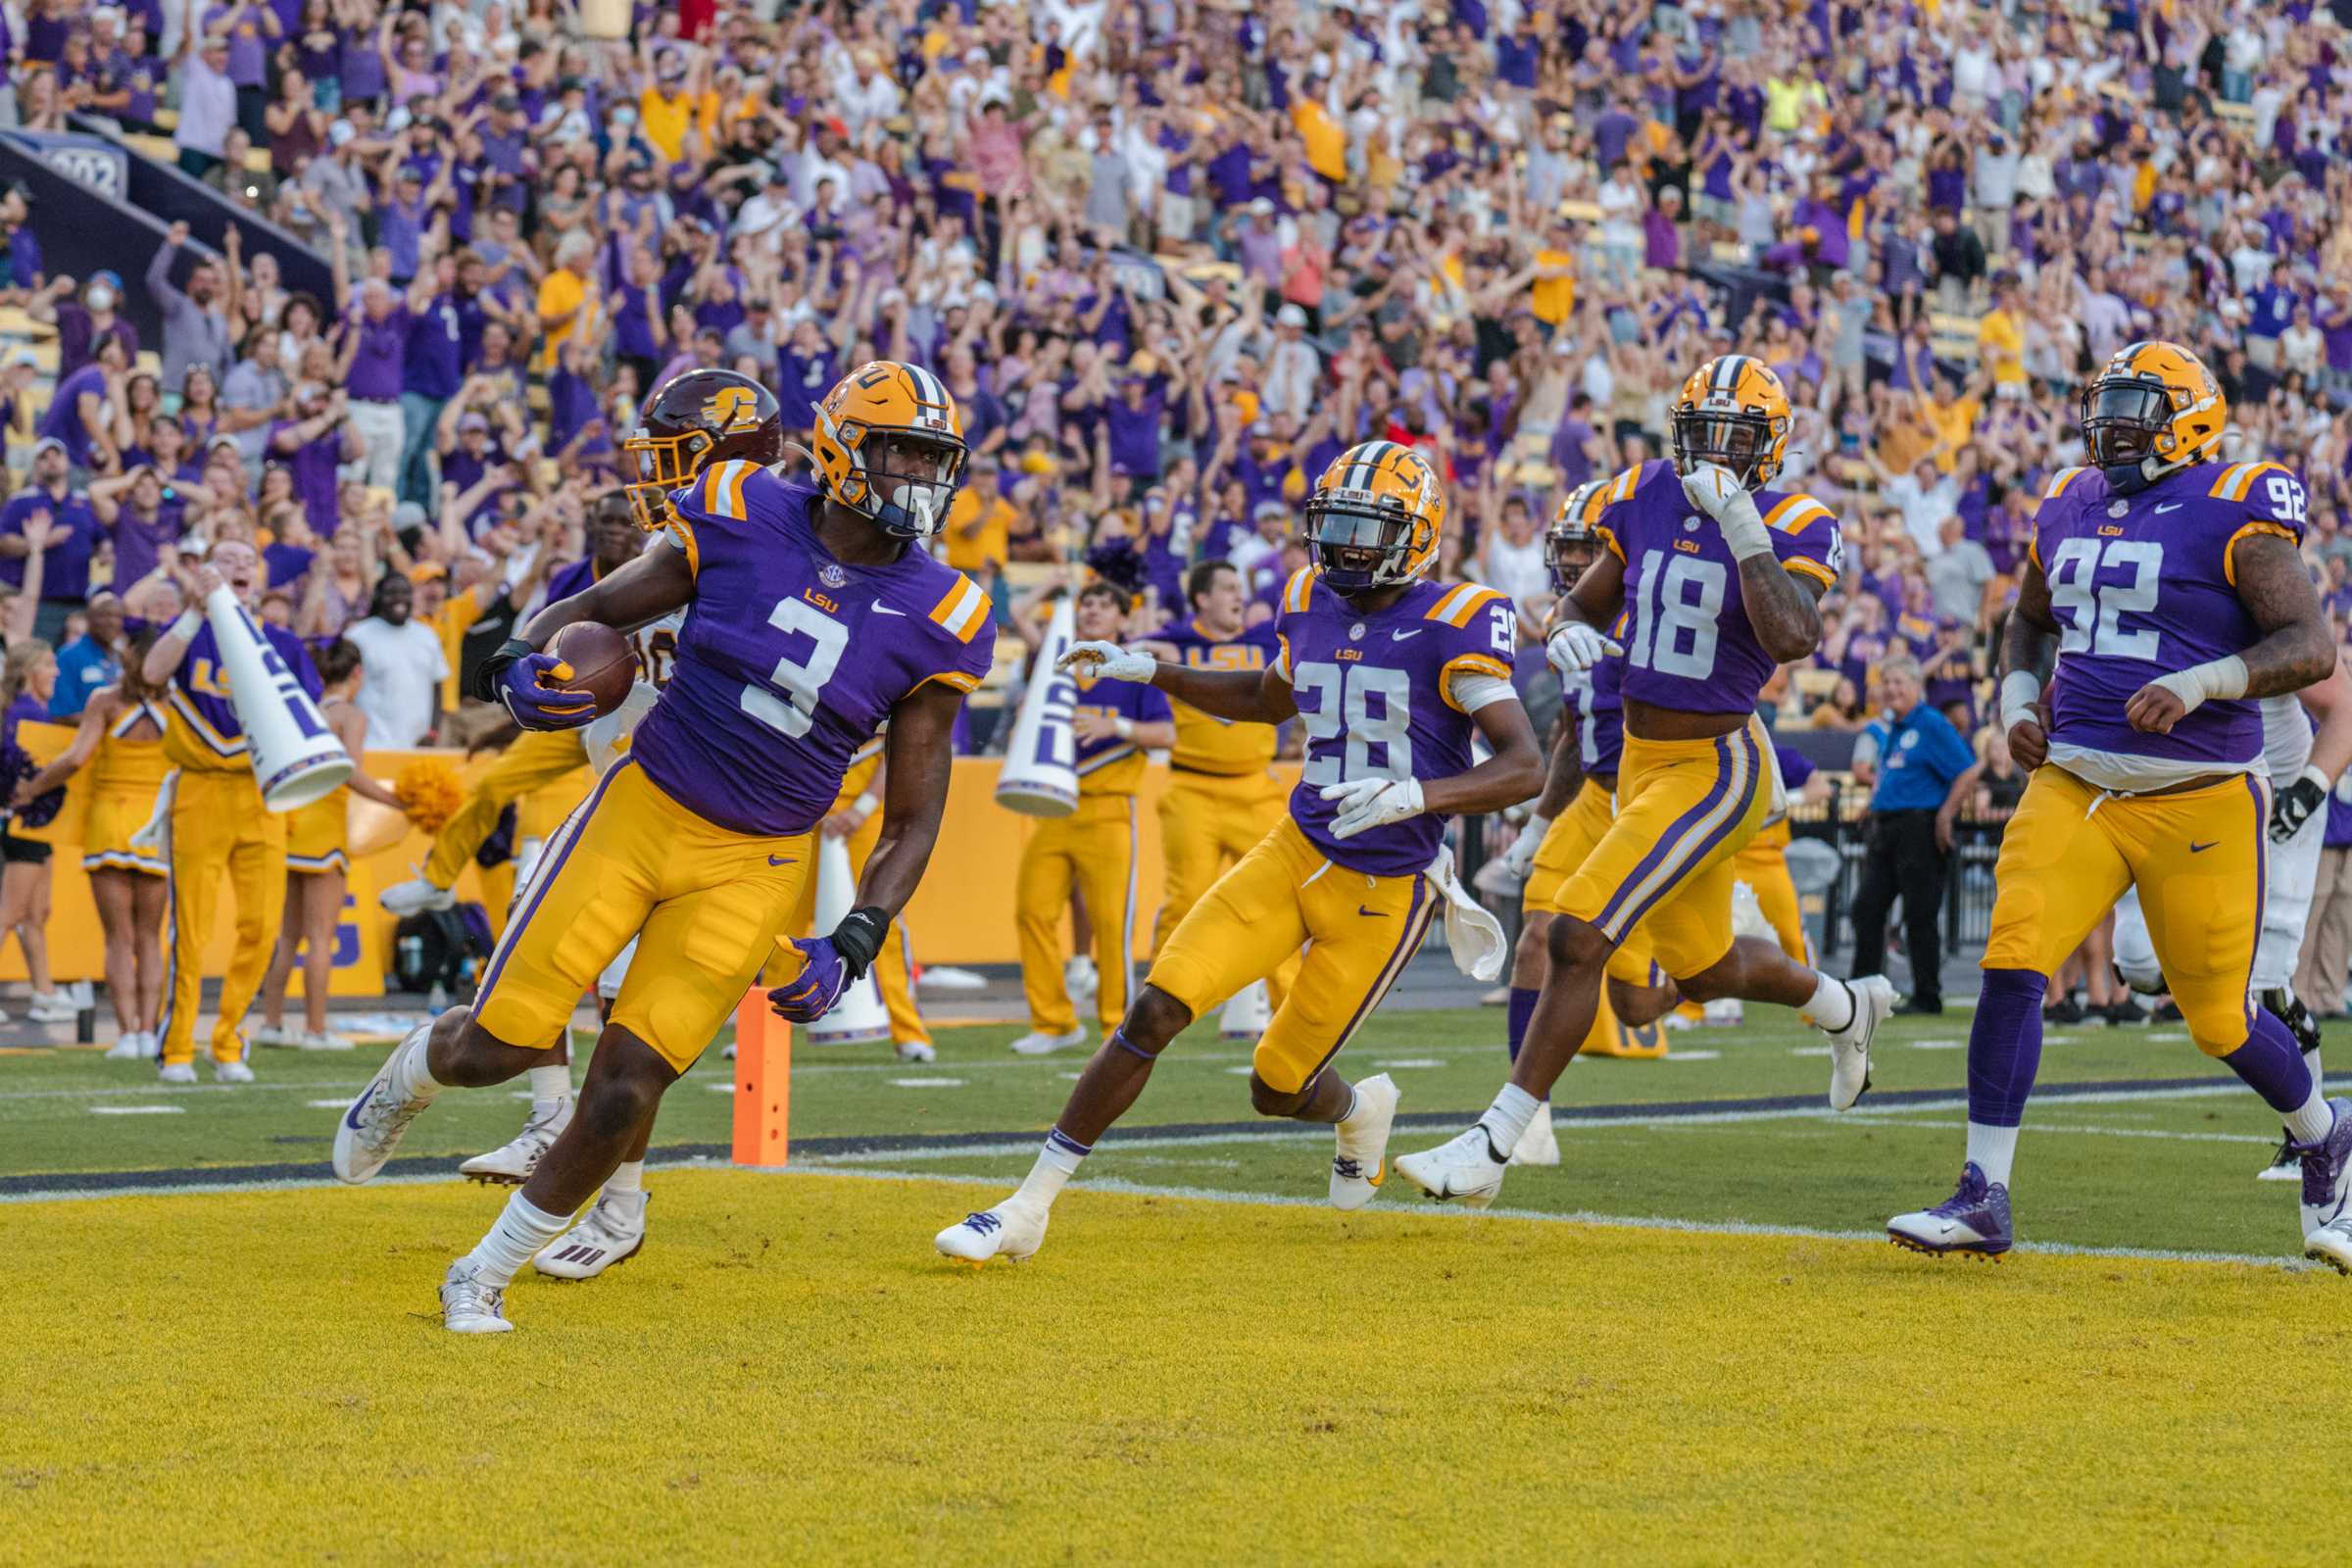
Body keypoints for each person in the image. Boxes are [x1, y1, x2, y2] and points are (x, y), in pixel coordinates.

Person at [331, 363, 995, 1334]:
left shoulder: (947, 609)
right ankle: (411, 1075)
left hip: (758, 860)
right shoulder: (739, 504)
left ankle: (483, 1271)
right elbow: (603, 607)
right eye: (901, 452)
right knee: (497, 1047)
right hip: (643, 808)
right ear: (847, 444)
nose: (918, 478)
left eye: (934, 459)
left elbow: (914, 815)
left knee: (628, 1085)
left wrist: (854, 937)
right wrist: (518, 662)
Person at [937, 439, 1543, 1265]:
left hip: (1383, 891)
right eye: (1336, 527)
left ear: (1417, 534)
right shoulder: (1309, 598)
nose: (1343, 548)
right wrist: (1153, 668)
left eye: (1366, 530)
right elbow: (1266, 699)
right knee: (1157, 1008)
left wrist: (1420, 795)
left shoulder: (1460, 618)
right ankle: (1027, 1206)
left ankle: (1358, 1109)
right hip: (1294, 850)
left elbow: (1523, 764)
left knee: (1275, 1087)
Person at [1886, 341, 2351, 1273]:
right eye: (2109, 406)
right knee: (2014, 959)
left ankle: (2325, 1134)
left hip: (2199, 796)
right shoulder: (2069, 497)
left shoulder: (2236, 504)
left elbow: (2310, 645)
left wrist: (2207, 682)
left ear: (2189, 420)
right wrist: (2019, 703)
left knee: (2219, 1021)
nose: (2112, 426)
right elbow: (2027, 620)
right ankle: (1984, 1192)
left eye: (2136, 407)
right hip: (2075, 781)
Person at [1396, 356, 1894, 1208]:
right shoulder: (1643, 491)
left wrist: (1743, 529)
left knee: (1575, 932)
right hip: (1637, 761)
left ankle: (1496, 1141)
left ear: (1768, 448)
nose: (1713, 450)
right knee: (1702, 972)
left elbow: (1795, 636)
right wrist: (1567, 634)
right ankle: (1847, 1006)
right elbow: (1584, 601)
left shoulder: (1796, 518)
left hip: (1714, 764)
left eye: (1735, 437)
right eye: (1701, 431)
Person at [1484, 480, 1673, 1165]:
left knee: (1635, 1007)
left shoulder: (1650, 621)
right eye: (1563, 548)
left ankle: (1710, 960)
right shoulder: (1573, 625)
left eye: (1584, 549)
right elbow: (1572, 732)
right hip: (1592, 799)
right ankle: (1527, 1115)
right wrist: (1536, 828)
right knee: (1536, 936)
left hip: (1649, 804)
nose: (1569, 564)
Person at [2112, 652, 2352, 1179]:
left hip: (2280, 795)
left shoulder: (2267, 600)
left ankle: (2312, 1137)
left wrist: (2309, 790)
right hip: (2199, 795)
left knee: (2267, 981)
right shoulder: (2157, 603)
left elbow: (2344, 705)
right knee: (2137, 965)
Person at [378, 497, 663, 917]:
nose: (614, 529)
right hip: (569, 710)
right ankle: (437, 880)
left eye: (624, 522)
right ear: (591, 525)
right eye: (606, 521)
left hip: (638, 714)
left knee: (629, 817)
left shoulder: (660, 572)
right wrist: (505, 725)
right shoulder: (571, 579)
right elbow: (544, 652)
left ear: (640, 529)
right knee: (493, 785)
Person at [143, 540, 320, 1083]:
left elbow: (307, 713)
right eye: (229, 559)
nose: (241, 567)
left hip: (262, 794)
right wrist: (195, 609)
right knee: (191, 927)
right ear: (206, 571)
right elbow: (152, 673)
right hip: (200, 791)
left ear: (262, 576)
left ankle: (228, 1040)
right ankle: (176, 1047)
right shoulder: (192, 629)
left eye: (249, 560)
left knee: (262, 927)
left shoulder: (284, 643)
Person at [1007, 580, 1176, 1055]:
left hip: (1108, 811)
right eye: (1088, 604)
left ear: (1123, 619)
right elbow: (1022, 620)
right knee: (1032, 912)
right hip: (1055, 808)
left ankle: (1114, 1030)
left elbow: (1166, 734)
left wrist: (1116, 726)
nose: (1094, 612)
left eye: (1105, 604)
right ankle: (1054, 1021)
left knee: (1110, 925)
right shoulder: (1058, 665)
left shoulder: (1133, 671)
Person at [1133, 559, 1293, 1014]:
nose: (1238, 596)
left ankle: (1290, 1012)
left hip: (1256, 788)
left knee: (1275, 906)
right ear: (1201, 598)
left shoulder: (1268, 641)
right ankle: (1153, 1009)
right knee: (1184, 901)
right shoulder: (1173, 643)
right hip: (1192, 789)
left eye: (1239, 587)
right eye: (1226, 588)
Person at [13, 633, 171, 1055]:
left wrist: (31, 789)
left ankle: (127, 1035)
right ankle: (150, 1031)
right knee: (149, 938)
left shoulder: (106, 700)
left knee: (118, 937)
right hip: (157, 826)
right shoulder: (177, 704)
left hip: (108, 823)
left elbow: (76, 758)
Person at [255, 638, 406, 1051]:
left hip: (292, 825)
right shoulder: (351, 717)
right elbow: (349, 773)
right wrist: (394, 800)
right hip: (325, 831)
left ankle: (270, 1023)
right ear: (356, 674)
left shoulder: (300, 710)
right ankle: (315, 1030)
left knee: (288, 936)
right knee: (320, 936)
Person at [1842, 657, 1981, 1015]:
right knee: (1866, 908)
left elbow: (1968, 771)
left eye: (1899, 682)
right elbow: (1892, 776)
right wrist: (1874, 805)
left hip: (1919, 827)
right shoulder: (1893, 729)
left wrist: (1946, 816)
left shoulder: (1931, 723)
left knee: (1920, 914)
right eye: (1887, 682)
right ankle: (1865, 988)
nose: (1892, 689)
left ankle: (1927, 995)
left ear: (1918, 687)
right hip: (1885, 826)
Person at [0, 640, 78, 1023]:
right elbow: (15, 770)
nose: (57, 671)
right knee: (9, 913)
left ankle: (44, 992)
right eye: (49, 664)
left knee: (37, 912)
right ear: (30, 670)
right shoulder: (23, 714)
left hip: (40, 824)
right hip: (24, 822)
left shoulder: (36, 712)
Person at [340, 571, 446, 747]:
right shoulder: (357, 636)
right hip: (371, 743)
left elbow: (437, 687)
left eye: (405, 592)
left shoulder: (427, 636)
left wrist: (433, 731)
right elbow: (342, 689)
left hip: (418, 744)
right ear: (379, 597)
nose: (399, 598)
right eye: (391, 593)